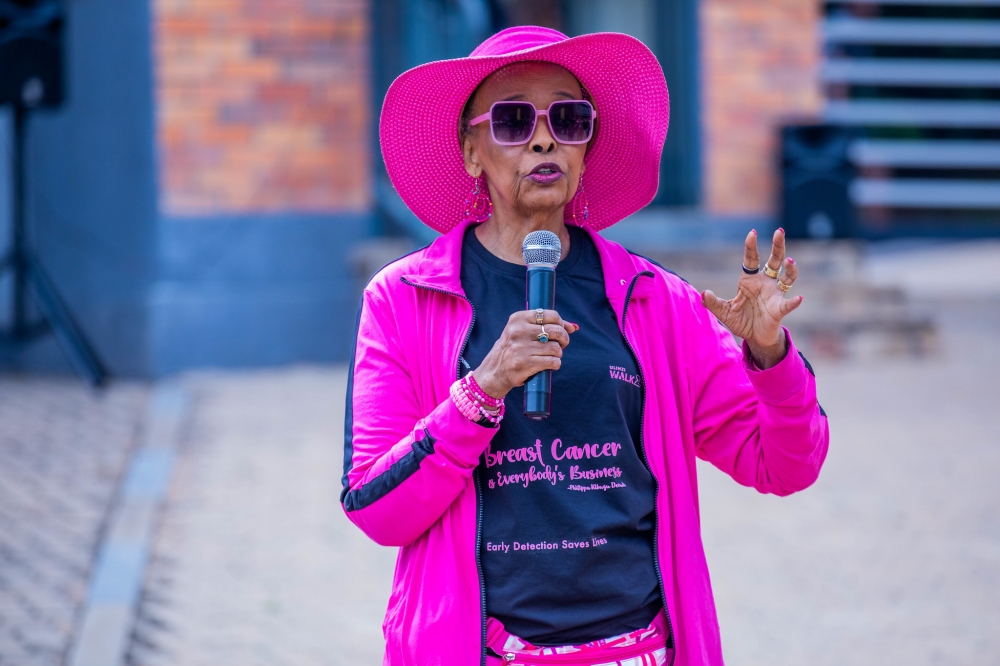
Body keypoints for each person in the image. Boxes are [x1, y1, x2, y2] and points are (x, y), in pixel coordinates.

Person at [341, 25, 829, 666]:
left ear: (586, 144)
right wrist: (480, 391)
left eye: (569, 118)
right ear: (470, 152)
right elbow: (377, 508)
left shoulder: (657, 303)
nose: (544, 138)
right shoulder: (403, 300)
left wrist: (770, 356)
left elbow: (785, 464)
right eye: (514, 120)